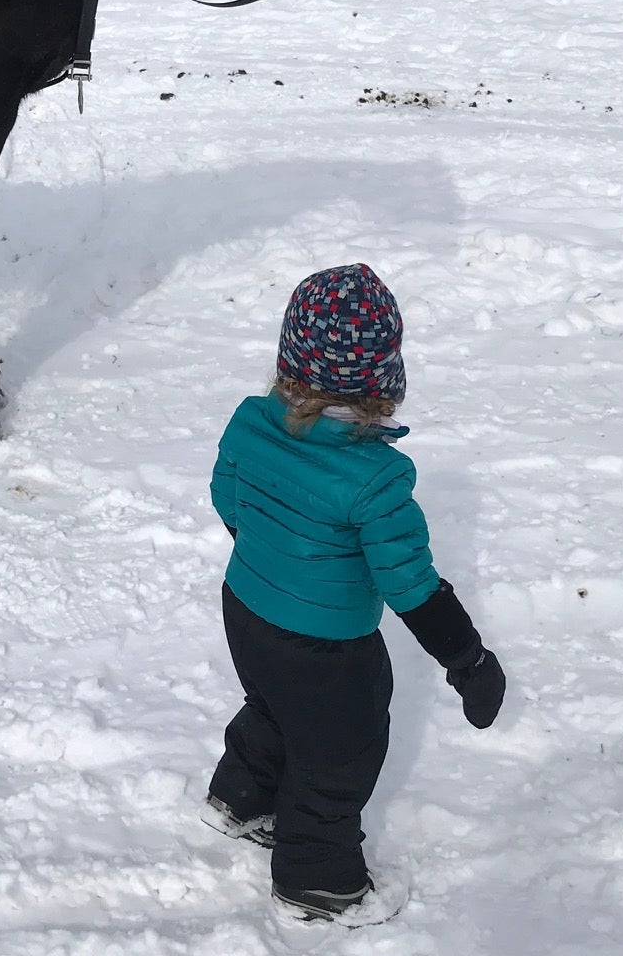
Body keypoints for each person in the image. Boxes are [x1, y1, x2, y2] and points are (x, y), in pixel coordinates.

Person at [202, 263, 505, 931]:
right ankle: (317, 885)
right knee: (338, 755)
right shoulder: (377, 480)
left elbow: (229, 498)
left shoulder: (251, 422)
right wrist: (469, 660)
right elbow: (413, 588)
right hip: (328, 649)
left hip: (245, 610)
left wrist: (273, 557)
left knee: (274, 706)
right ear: (383, 378)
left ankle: (241, 798)